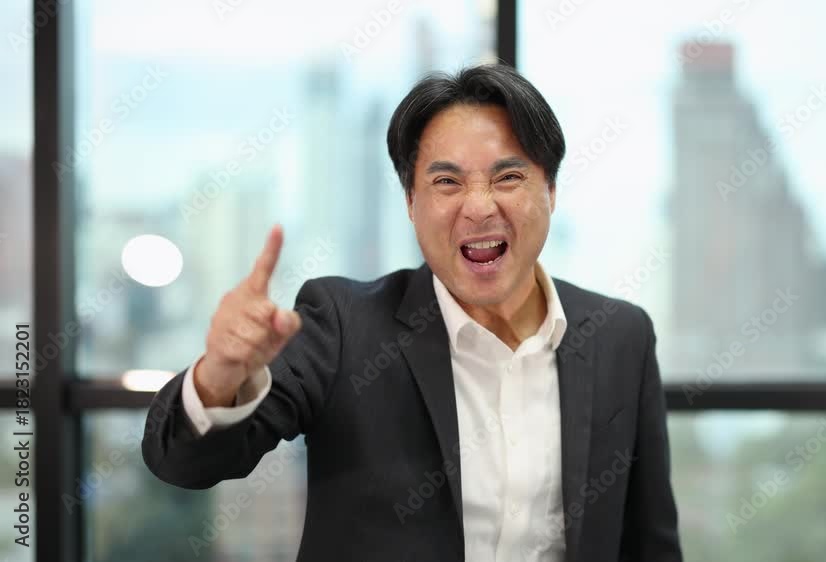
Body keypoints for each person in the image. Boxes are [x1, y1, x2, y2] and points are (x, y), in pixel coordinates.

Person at [142, 63, 683, 562]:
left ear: (551, 190)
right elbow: (185, 462)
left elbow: (650, 543)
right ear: (409, 201)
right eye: (447, 182)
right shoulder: (343, 325)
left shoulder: (620, 336)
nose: (479, 207)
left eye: (507, 178)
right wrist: (219, 377)